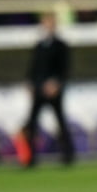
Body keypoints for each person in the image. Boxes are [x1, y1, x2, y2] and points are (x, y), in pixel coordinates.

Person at [22, 12, 74, 167]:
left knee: (60, 122)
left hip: (53, 92)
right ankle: (30, 158)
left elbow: (64, 69)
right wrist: (30, 83)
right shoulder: (39, 45)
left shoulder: (61, 45)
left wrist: (56, 83)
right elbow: (33, 67)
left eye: (50, 23)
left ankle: (68, 156)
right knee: (32, 124)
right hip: (39, 89)